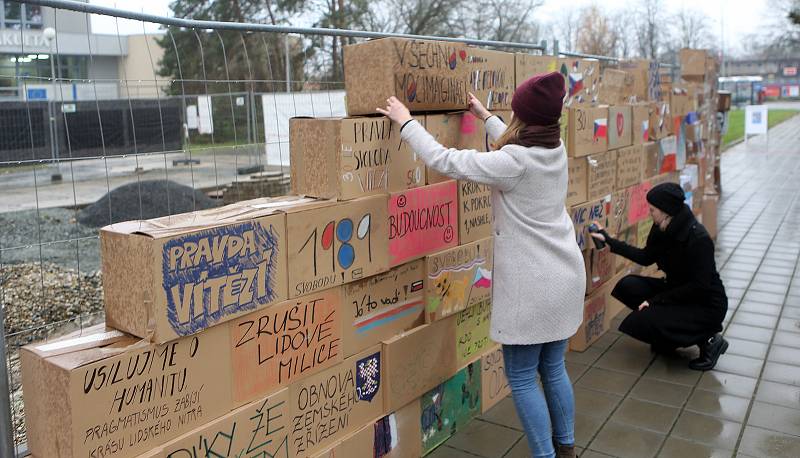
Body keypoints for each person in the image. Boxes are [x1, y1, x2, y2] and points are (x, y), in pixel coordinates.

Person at [378, 72, 586, 458]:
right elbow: (516, 139)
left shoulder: (514, 162)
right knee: (553, 369)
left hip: (534, 288)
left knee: (523, 377)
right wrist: (485, 115)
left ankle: (545, 455)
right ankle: (567, 448)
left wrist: (406, 122)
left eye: (514, 112)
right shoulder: (554, 148)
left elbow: (447, 160)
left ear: (524, 118)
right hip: (566, 277)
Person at [590, 183, 729, 371]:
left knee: (644, 319)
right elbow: (645, 257)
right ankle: (667, 337)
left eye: (653, 209)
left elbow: (699, 286)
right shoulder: (661, 227)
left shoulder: (698, 239)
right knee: (628, 286)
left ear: (667, 211)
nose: (649, 213)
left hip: (705, 303)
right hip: (677, 290)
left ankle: (710, 341)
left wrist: (655, 301)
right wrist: (609, 241)